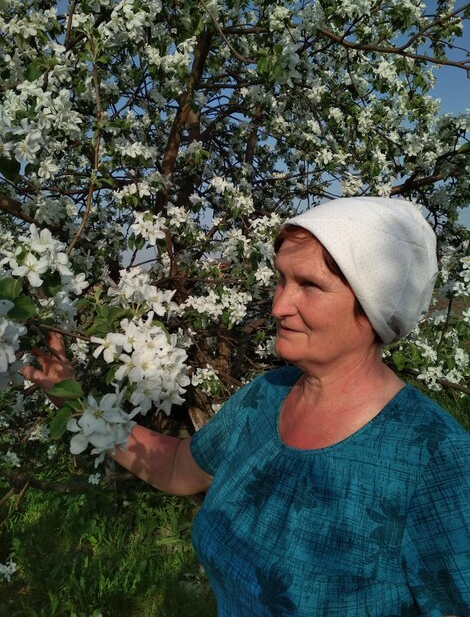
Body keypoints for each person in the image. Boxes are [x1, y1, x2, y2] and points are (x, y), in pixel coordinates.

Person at [23, 197, 470, 616]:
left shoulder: (436, 461)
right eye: (281, 278)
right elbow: (180, 467)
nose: (278, 305)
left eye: (310, 285)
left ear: (374, 309)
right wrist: (70, 396)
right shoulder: (265, 397)